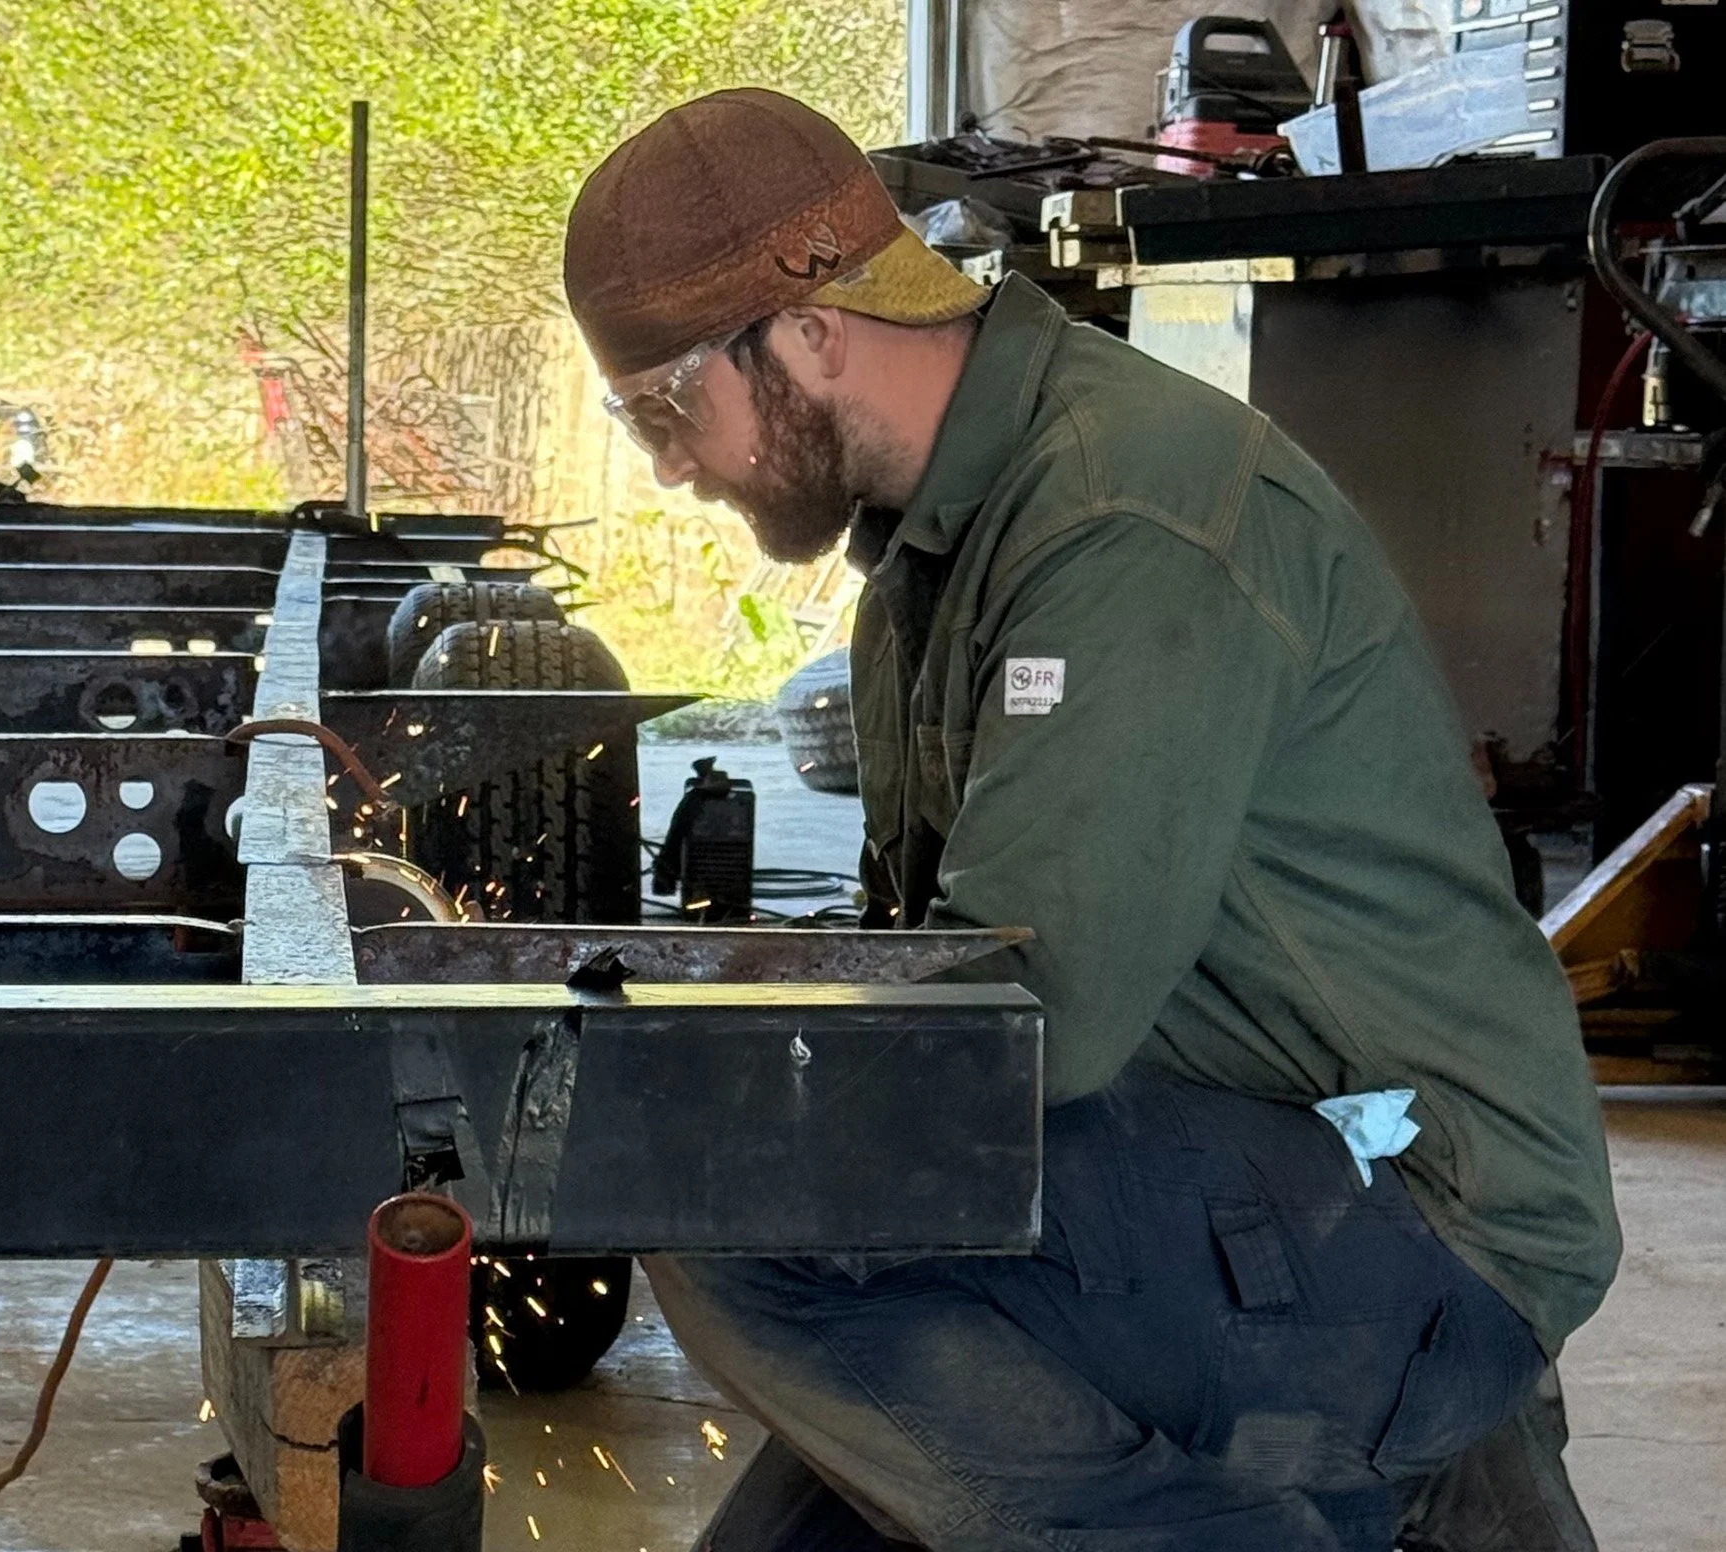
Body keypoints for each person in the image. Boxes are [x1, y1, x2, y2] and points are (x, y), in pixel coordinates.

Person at [562, 88, 1620, 1552]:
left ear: (807, 333)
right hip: (1234, 1151)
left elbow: (1025, 1017)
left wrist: (710, 1054)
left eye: (667, 408)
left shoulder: (1125, 514)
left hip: (1411, 1208)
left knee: (712, 1180)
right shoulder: (934, 554)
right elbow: (931, 966)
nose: (672, 463)